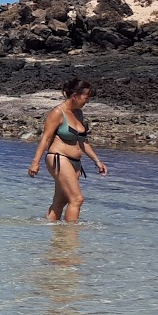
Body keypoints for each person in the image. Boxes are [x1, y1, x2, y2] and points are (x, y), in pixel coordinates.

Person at [28, 78, 108, 223]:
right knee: (77, 199)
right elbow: (45, 139)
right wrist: (35, 163)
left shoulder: (78, 113)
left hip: (75, 163)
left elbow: (83, 142)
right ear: (75, 96)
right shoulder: (58, 112)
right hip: (59, 158)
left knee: (60, 202)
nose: (87, 101)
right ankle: (70, 238)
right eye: (86, 97)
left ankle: (53, 237)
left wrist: (97, 161)